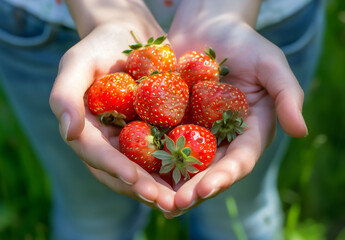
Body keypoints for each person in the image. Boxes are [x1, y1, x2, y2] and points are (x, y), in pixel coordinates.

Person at [0, 0, 325, 239]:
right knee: (90, 214)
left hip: (264, 18)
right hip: (46, 26)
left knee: (240, 213)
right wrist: (105, 12)